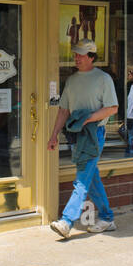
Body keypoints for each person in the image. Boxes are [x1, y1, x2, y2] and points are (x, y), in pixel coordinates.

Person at [47, 40, 118, 238]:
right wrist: (54, 136)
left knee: (82, 178)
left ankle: (67, 220)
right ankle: (107, 217)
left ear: (91, 56)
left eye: (80, 54)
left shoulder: (104, 79)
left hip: (95, 134)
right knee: (90, 175)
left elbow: (112, 108)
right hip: (77, 135)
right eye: (75, 54)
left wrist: (88, 118)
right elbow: (63, 110)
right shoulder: (71, 81)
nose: (76, 58)